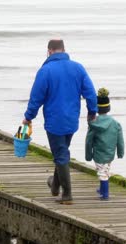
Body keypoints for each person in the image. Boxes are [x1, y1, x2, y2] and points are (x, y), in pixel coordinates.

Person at [22, 39, 98, 204]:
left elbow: (36, 97)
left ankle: (67, 194)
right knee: (61, 152)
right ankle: (55, 185)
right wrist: (92, 111)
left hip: (54, 121)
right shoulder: (77, 68)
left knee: (61, 154)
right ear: (64, 50)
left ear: (49, 51)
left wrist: (28, 117)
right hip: (72, 120)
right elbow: (91, 93)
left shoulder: (45, 71)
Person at [85, 88, 124, 200]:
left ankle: (105, 193)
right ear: (109, 108)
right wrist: (120, 153)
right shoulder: (115, 123)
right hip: (110, 153)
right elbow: (120, 140)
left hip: (98, 153)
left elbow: (89, 140)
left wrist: (88, 155)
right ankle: (102, 189)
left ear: (97, 109)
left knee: (102, 172)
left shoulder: (94, 123)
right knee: (105, 170)